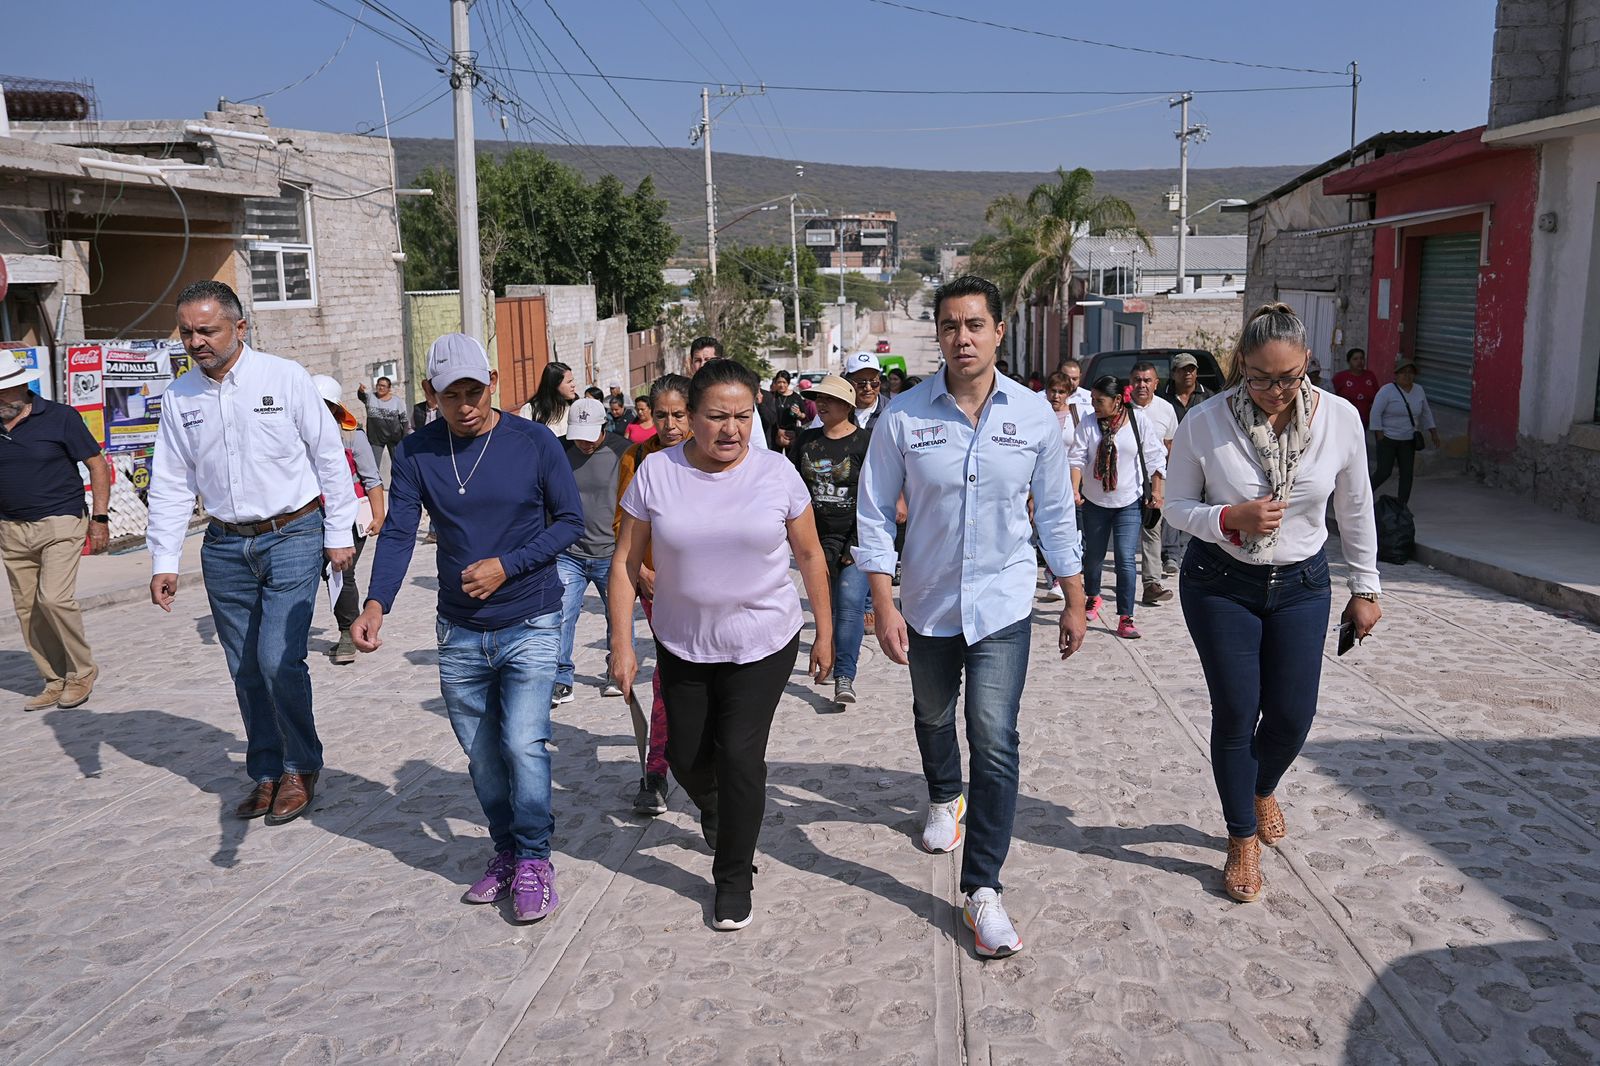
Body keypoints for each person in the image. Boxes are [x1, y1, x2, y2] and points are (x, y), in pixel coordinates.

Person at [857, 275, 1086, 959]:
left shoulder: (1034, 416)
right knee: (933, 715)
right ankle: (941, 794)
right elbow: (873, 513)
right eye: (951, 326)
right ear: (939, 335)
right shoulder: (903, 417)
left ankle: (982, 888)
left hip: (1004, 603)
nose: (963, 337)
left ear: (998, 332)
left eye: (976, 325)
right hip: (926, 602)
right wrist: (882, 600)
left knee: (993, 735)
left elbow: (1054, 513)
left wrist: (1074, 597)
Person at [352, 333, 585, 922]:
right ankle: (505, 851)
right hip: (458, 632)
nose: (465, 406)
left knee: (521, 744)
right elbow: (400, 531)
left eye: (474, 392)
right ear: (431, 394)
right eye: (450, 395)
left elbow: (569, 523)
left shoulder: (533, 443)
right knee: (482, 756)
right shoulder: (415, 453)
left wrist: (509, 565)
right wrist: (377, 603)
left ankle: (535, 858)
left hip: (531, 618)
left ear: (494, 384)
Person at [1166, 302, 1382, 903]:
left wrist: (1367, 587)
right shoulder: (1206, 422)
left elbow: (1355, 508)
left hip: (1302, 584)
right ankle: (1241, 837)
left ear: (1307, 364)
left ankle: (1260, 787)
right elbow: (1176, 507)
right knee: (1237, 711)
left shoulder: (1339, 420)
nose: (1274, 391)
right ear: (1242, 366)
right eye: (1260, 378)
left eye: (1288, 377)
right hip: (1221, 583)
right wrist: (1226, 516)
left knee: (1292, 715)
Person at [609, 359, 833, 931]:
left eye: (741, 416)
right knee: (684, 757)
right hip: (683, 642)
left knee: (738, 755)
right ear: (692, 416)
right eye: (716, 417)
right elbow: (625, 561)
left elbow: (809, 555)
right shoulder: (656, 473)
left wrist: (826, 630)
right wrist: (621, 641)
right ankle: (715, 810)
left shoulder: (777, 473)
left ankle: (732, 875)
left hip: (763, 640)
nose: (730, 429)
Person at [147, 280, 357, 825]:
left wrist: (339, 533)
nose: (196, 341)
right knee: (244, 669)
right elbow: (171, 481)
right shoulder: (180, 397)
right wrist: (164, 560)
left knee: (276, 658)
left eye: (207, 330)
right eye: (187, 331)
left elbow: (330, 457)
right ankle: (266, 770)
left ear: (240, 328)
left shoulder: (284, 378)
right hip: (222, 547)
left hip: (292, 534)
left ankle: (301, 765)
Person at [0, 353, 110, 710]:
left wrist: (100, 518)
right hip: (11, 528)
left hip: (61, 521)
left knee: (54, 598)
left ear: (20, 387)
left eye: (1, 392)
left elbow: (97, 465)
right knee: (28, 609)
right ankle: (54, 679)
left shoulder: (60, 417)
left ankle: (82, 672)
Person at [613, 373, 692, 817]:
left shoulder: (712, 459)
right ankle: (656, 770)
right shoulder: (636, 459)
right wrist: (641, 570)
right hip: (656, 589)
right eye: (660, 415)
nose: (670, 424)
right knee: (666, 680)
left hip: (711, 593)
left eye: (678, 414)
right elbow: (623, 528)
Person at [790, 375, 872, 707]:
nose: (821, 403)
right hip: (815, 540)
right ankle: (827, 654)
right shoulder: (806, 441)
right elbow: (792, 488)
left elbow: (875, 496)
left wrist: (858, 541)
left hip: (857, 538)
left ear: (848, 406)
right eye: (818, 398)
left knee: (850, 603)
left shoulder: (866, 443)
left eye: (830, 399)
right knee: (828, 607)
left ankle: (844, 676)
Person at [1067, 375, 1167, 640]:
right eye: (1092, 400)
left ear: (1117, 400)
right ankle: (1094, 596)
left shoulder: (1137, 421)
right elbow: (1077, 459)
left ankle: (1126, 617)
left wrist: (1157, 491)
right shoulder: (1089, 424)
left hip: (1128, 504)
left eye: (1099, 401)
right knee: (1093, 557)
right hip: (1095, 503)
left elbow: (1156, 457)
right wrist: (1074, 490)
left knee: (1125, 560)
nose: (1094, 406)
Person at [553, 397, 629, 706]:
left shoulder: (622, 451)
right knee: (560, 615)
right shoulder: (559, 450)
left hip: (611, 552)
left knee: (617, 615)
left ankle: (616, 670)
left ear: (604, 426)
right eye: (577, 436)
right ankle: (560, 679)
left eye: (590, 435)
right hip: (569, 552)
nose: (583, 443)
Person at [311, 375, 387, 665]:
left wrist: (379, 515)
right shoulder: (296, 434)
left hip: (350, 515)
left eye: (324, 406)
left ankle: (347, 633)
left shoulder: (352, 435)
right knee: (317, 571)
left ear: (334, 408)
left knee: (342, 570)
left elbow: (371, 477)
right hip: (311, 515)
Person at [1158, 353, 1214, 575]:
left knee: (1200, 506)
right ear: (1174, 373)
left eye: (1191, 369)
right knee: (1175, 503)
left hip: (1202, 460)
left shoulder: (1209, 397)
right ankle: (1171, 554)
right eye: (1183, 369)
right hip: (1171, 461)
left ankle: (1192, 550)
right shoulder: (1163, 399)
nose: (1188, 373)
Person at [1128, 362, 1178, 607]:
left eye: (1147, 380)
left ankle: (1151, 584)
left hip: (1154, 480)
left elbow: (1170, 446)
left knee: (1152, 527)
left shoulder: (1166, 410)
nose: (1142, 385)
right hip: (1125, 480)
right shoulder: (1122, 408)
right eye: (1137, 380)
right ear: (1130, 382)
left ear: (1156, 384)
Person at [1369, 359, 1441, 506]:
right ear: (1396, 375)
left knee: (1407, 474)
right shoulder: (1387, 391)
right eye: (1403, 373)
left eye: (1410, 373)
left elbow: (1426, 412)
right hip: (1388, 438)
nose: (1407, 376)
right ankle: (1363, 495)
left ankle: (1402, 504)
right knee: (1384, 471)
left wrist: (1433, 432)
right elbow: (1375, 412)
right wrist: (1379, 433)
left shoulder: (1419, 390)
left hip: (1408, 439)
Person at [688, 336, 769, 451]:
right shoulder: (684, 395)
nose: (702, 365)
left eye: (708, 359)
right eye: (697, 360)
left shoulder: (739, 396)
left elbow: (758, 445)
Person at [519, 361, 577, 438]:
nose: (573, 385)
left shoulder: (575, 407)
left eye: (572, 380)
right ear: (555, 385)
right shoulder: (530, 410)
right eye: (569, 382)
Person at [363, 375, 409, 472]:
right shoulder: (370, 397)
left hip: (394, 438)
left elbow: (404, 421)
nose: (381, 387)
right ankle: (376, 486)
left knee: (398, 465)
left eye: (384, 386)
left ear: (389, 388)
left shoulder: (398, 401)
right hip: (376, 439)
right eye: (379, 385)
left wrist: (404, 439)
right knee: (373, 467)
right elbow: (361, 396)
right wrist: (360, 391)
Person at [1333, 347, 1380, 428]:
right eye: (1355, 359)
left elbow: (1378, 396)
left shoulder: (1370, 375)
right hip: (1345, 420)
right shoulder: (1340, 377)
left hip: (1366, 421)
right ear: (1348, 362)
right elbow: (1332, 396)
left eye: (1362, 358)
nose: (1359, 361)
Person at [842, 352, 890, 431]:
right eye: (861, 383)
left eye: (873, 382)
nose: (868, 388)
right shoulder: (834, 409)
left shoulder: (891, 410)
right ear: (848, 382)